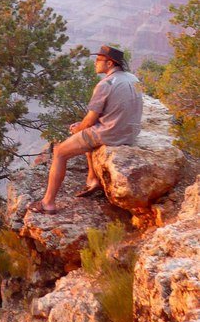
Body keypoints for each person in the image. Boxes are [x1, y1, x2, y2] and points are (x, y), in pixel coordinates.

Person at [28, 45, 143, 214]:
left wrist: (78, 128)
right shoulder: (133, 78)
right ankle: (93, 179)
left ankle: (48, 203)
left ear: (110, 63)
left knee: (60, 152)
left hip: (110, 133)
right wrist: (82, 128)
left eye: (98, 60)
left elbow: (89, 120)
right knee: (83, 135)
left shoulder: (105, 84)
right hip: (130, 132)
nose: (95, 63)